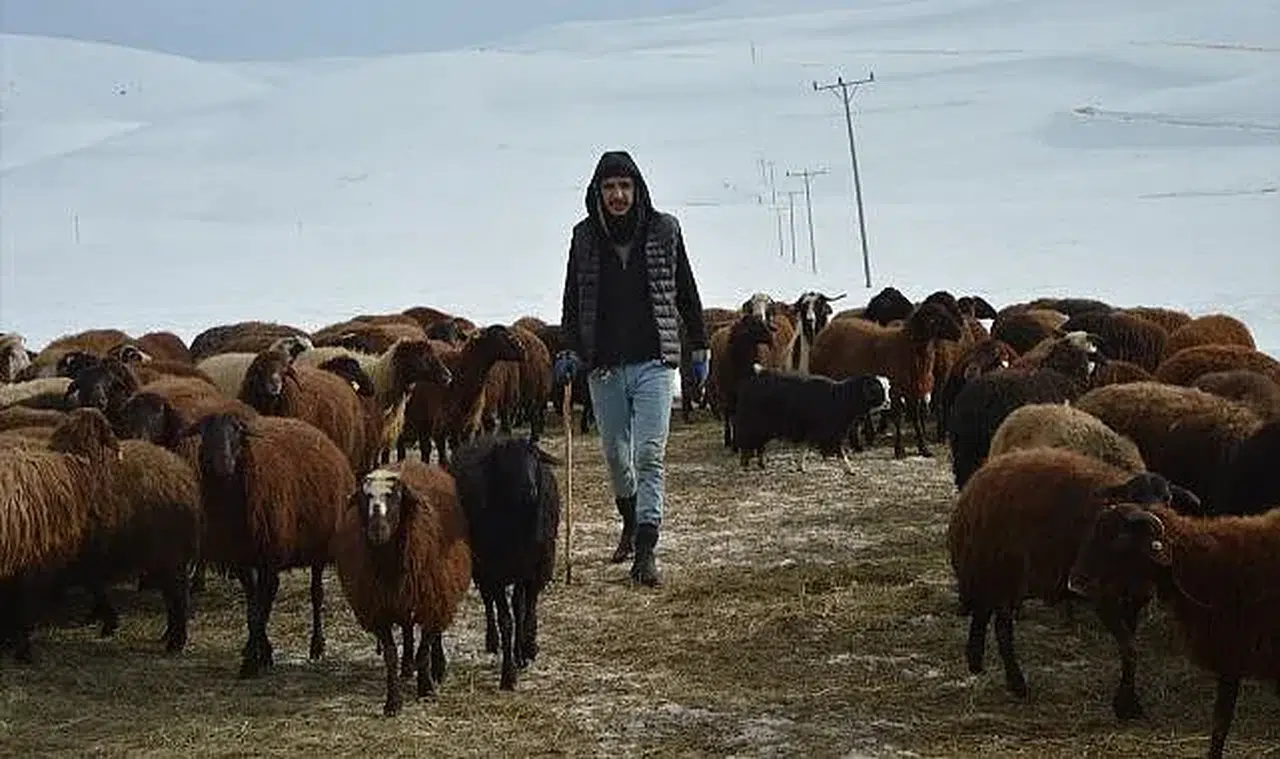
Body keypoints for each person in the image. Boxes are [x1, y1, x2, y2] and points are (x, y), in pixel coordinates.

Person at [555, 150, 710, 587]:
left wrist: (699, 346)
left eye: (624, 186)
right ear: (597, 193)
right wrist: (570, 351)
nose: (617, 195)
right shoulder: (584, 237)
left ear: (637, 188)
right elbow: (572, 301)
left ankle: (646, 549)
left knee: (648, 455)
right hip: (604, 364)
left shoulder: (665, 230)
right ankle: (629, 518)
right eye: (609, 188)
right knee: (616, 458)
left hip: (654, 360)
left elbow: (686, 290)